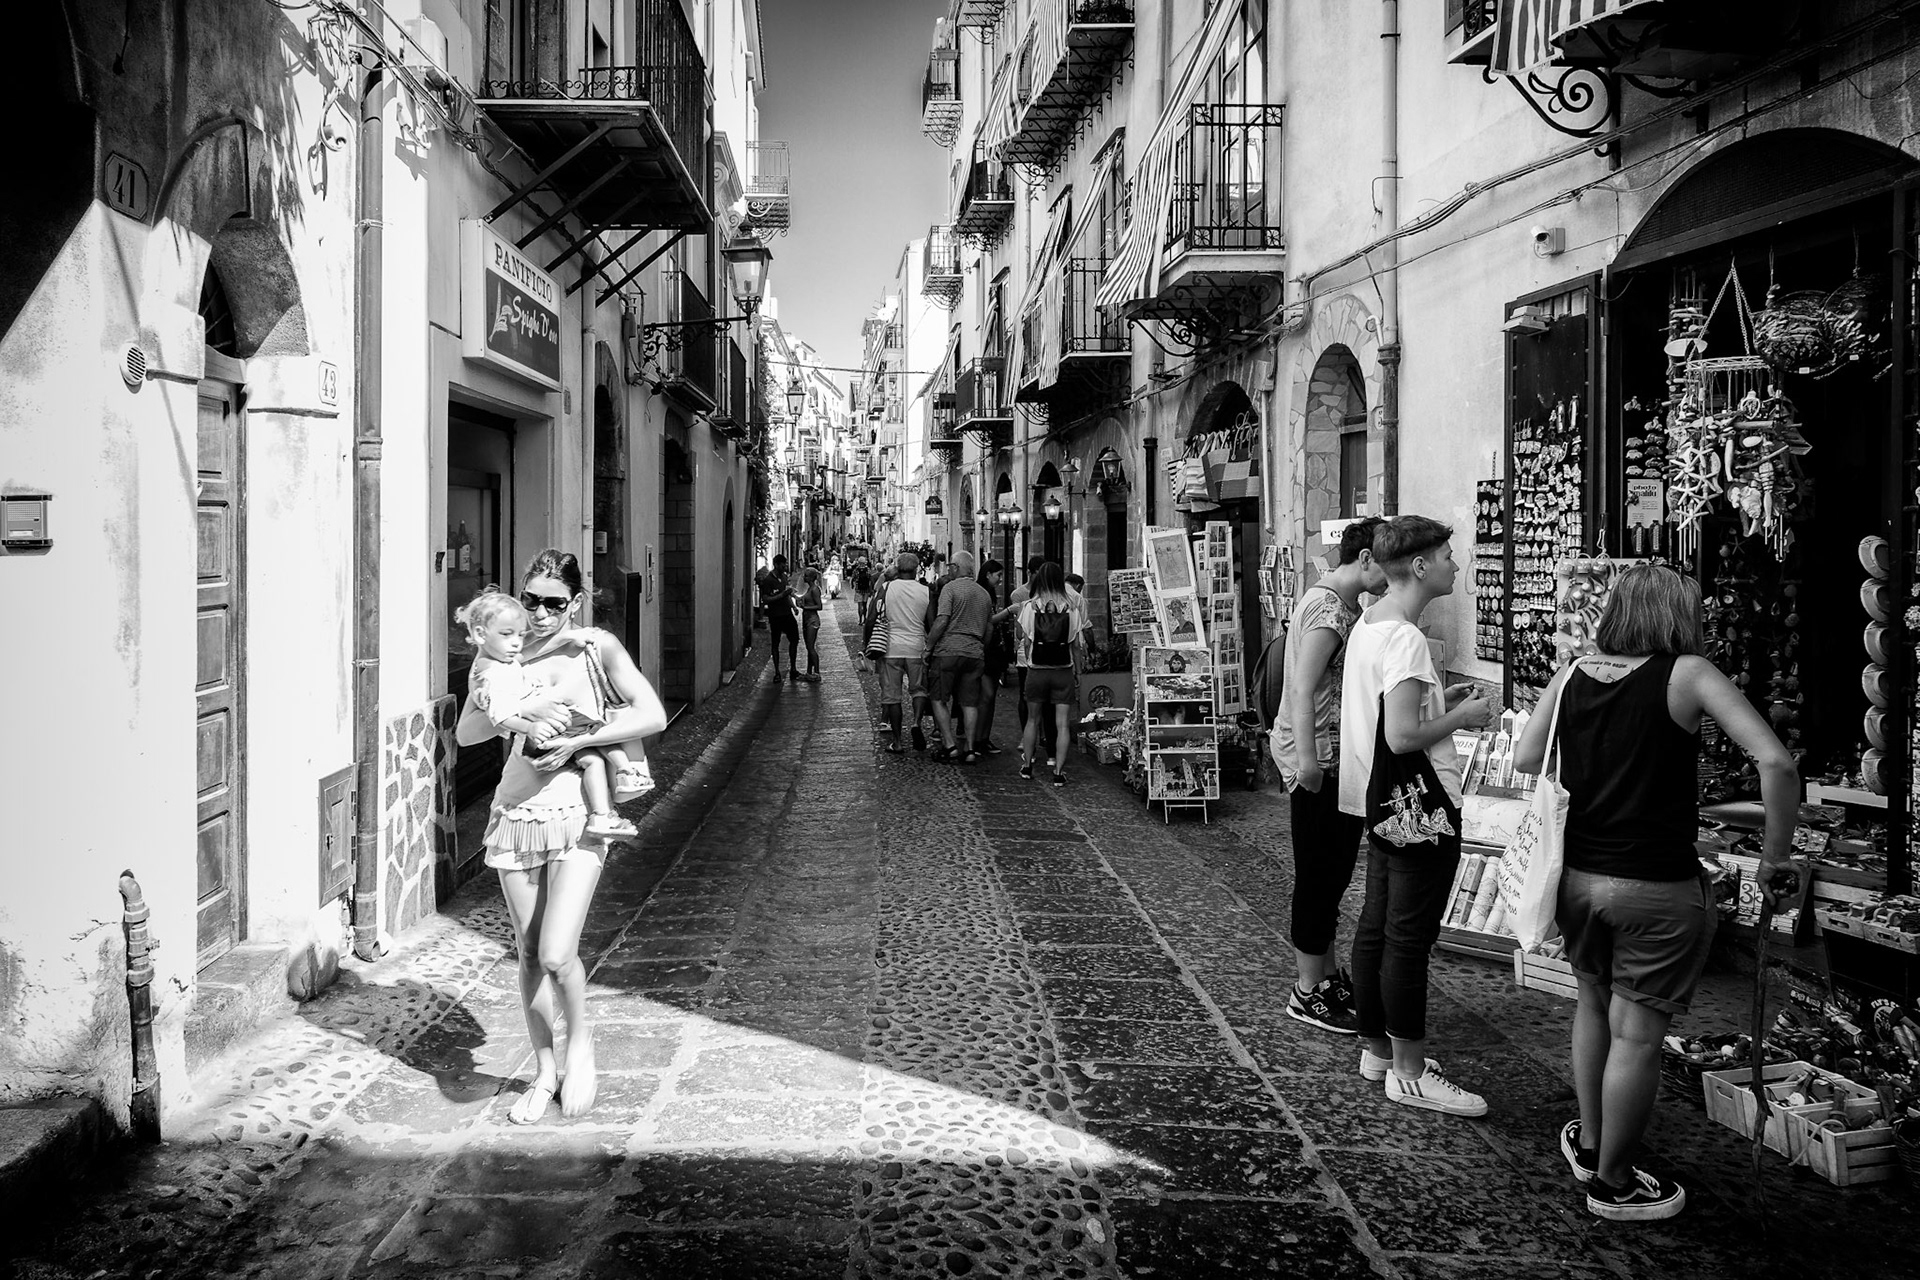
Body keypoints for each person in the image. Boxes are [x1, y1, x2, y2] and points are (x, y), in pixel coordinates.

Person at [1513, 563, 1798, 1222]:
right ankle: (1613, 1182)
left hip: (1579, 880)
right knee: (1637, 1037)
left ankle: (1590, 1142)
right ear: (1677, 616)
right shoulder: (1688, 675)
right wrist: (1775, 857)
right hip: (1657, 886)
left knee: (1591, 1005)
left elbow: (1529, 758)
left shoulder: (1573, 673)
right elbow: (1776, 761)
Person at [454, 549, 667, 1124]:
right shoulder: (503, 652)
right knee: (527, 954)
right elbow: (470, 733)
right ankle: (545, 1070)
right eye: (531, 601)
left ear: (574, 603)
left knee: (556, 951)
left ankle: (581, 1044)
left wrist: (578, 741)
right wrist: (497, 694)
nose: (541, 614)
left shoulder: (596, 648)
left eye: (553, 603)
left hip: (578, 812)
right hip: (517, 812)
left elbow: (653, 715)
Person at [1338, 516, 1496, 1117]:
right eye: (1450, 556)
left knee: (1378, 926)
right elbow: (1404, 736)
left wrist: (1439, 699)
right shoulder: (1403, 636)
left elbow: (1390, 718)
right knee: (1408, 939)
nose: (1458, 565)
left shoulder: (1370, 626)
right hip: (1418, 805)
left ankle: (1378, 1049)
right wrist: (1463, 718)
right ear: (1422, 566)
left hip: (1379, 799)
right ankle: (1408, 1070)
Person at [1272, 517, 1386, 1035]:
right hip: (1318, 758)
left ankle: (1327, 973)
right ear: (1363, 560)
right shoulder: (1326, 609)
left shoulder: (1339, 606)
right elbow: (1300, 688)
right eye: (1387, 565)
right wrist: (1310, 763)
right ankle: (1305, 989)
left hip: (1330, 756)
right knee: (1319, 874)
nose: (1391, 576)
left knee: (1332, 872)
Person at [456, 588, 646, 840]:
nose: (516, 642)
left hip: (544, 731)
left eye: (520, 635)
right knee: (592, 750)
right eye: (507, 634)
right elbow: (500, 716)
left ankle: (619, 784)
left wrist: (565, 639)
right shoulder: (489, 675)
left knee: (591, 734)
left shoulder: (499, 659)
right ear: (480, 634)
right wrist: (529, 722)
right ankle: (609, 804)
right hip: (539, 736)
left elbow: (527, 653)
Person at [1017, 562, 1086, 788]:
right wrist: (1077, 670)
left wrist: (1030, 659)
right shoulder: (1071, 607)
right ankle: (1058, 771)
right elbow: (1075, 645)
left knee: (1032, 720)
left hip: (1037, 670)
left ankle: (1027, 765)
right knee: (1062, 724)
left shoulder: (1030, 606)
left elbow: (1026, 640)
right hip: (1062, 670)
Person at [925, 550, 994, 763]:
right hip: (974, 653)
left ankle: (950, 745)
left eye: (950, 567)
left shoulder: (950, 588)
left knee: (938, 698)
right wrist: (979, 645)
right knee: (970, 702)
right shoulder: (984, 593)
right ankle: (971, 749)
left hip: (948, 651)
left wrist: (928, 646)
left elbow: (942, 620)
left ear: (955, 567)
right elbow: (989, 628)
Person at [874, 551, 934, 753]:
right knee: (918, 690)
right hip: (916, 647)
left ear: (898, 569)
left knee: (892, 696)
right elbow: (931, 623)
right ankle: (916, 722)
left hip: (891, 647)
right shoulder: (925, 591)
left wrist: (869, 645)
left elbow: (872, 616)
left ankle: (898, 741)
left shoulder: (886, 587)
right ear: (917, 569)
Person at [975, 558, 1011, 755]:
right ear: (988, 574)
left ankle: (984, 738)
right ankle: (979, 738)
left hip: (994, 651)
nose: (1000, 580)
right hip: (986, 651)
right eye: (998, 575)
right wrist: (1007, 612)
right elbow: (987, 620)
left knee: (990, 698)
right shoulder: (982, 594)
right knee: (986, 696)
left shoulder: (989, 593)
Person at [759, 554, 802, 681]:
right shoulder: (768, 581)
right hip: (775, 616)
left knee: (794, 639)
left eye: (786, 563)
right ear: (776, 565)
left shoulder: (784, 577)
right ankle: (777, 672)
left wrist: (793, 606)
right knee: (775, 643)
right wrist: (781, 595)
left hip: (787, 614)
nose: (785, 566)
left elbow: (786, 595)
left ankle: (793, 669)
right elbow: (765, 599)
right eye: (783, 564)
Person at [796, 567, 825, 683]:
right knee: (809, 646)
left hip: (812, 620)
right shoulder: (809, 589)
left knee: (811, 647)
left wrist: (805, 607)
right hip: (807, 619)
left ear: (811, 577)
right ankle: (809, 672)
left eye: (806, 575)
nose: (804, 577)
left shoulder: (814, 590)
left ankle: (816, 672)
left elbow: (819, 606)